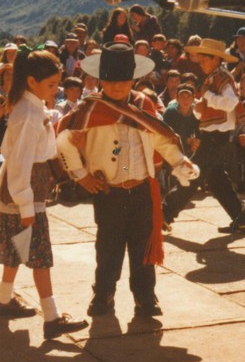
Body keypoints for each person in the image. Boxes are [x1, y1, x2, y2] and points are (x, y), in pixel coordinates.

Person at [56, 42, 198, 319]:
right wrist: (81, 175)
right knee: (108, 248)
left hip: (142, 188)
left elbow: (160, 137)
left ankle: (145, 297)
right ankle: (103, 295)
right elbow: (64, 141)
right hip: (109, 191)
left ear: (133, 78)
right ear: (100, 80)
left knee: (143, 247)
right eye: (110, 80)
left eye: (123, 80)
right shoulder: (91, 108)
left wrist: (179, 163)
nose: (117, 86)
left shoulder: (143, 105)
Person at [0, 47, 88, 339]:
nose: (56, 89)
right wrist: (25, 206)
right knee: (39, 256)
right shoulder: (28, 113)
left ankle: (3, 300)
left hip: (29, 189)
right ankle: (52, 317)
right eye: (51, 85)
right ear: (32, 81)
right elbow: (20, 161)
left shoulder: (31, 107)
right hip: (26, 192)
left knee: (18, 247)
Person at [162, 38, 245, 233]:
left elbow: (230, 103)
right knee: (216, 180)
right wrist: (201, 107)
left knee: (191, 174)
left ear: (215, 59)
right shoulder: (212, 78)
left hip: (216, 136)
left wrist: (208, 98)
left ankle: (164, 214)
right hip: (212, 135)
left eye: (204, 60)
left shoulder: (222, 78)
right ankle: (241, 217)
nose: (200, 63)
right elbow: (203, 112)